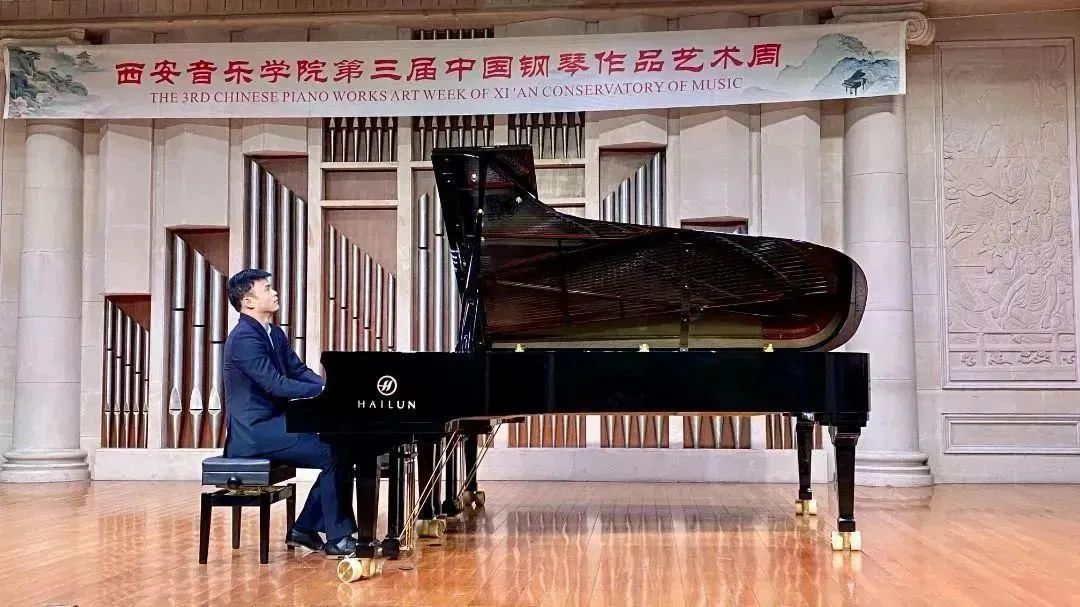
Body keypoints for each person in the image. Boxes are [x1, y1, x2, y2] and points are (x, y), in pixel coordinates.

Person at [222, 268, 357, 557]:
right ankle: (336, 538)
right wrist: (322, 393)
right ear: (248, 301)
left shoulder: (274, 333)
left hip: (277, 424)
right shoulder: (244, 337)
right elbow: (275, 384)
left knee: (342, 449)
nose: (275, 293)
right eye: (267, 289)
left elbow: (298, 371)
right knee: (334, 453)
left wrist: (331, 388)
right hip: (255, 433)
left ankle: (305, 529)